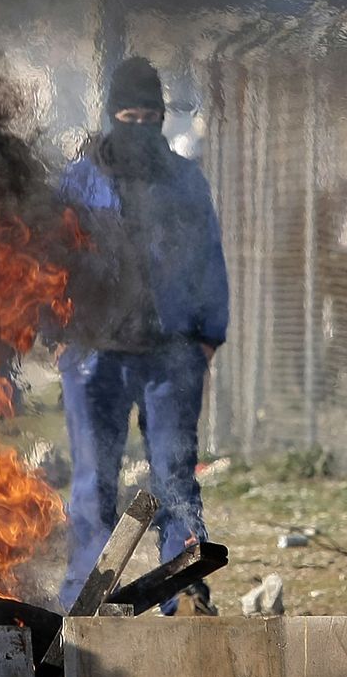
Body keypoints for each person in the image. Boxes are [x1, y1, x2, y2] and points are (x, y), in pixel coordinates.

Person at [57, 57, 228, 614]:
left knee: (175, 476)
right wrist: (57, 331)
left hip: (170, 354)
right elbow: (50, 259)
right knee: (92, 488)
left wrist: (209, 336)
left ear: (161, 118)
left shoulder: (184, 180)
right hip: (95, 356)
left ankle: (184, 593)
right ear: (112, 115)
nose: (139, 125)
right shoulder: (80, 180)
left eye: (150, 115)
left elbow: (209, 259)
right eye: (129, 114)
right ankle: (86, 602)